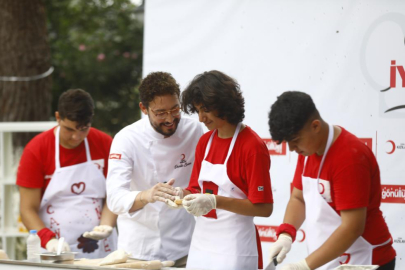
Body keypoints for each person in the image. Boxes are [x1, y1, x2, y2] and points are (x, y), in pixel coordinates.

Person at [267, 91, 396, 270]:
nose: (291, 148)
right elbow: (299, 198)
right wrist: (286, 234)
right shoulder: (308, 150)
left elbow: (352, 227)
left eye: (295, 141)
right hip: (330, 260)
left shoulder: (349, 158)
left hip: (365, 260)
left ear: (315, 126)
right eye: (287, 142)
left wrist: (304, 265)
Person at [172, 70, 273, 270]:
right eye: (197, 110)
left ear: (223, 104)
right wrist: (180, 195)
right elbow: (195, 190)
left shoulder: (251, 146)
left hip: (235, 248)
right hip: (201, 244)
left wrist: (215, 201)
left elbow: (264, 208)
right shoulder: (205, 142)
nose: (201, 118)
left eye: (205, 110)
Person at [106, 71, 204, 267]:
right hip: (138, 250)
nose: (169, 119)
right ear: (144, 108)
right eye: (160, 113)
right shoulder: (127, 139)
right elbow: (115, 200)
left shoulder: (195, 130)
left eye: (175, 109)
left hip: (184, 246)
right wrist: (148, 195)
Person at [17, 89, 117, 258]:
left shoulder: (105, 144)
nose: (76, 137)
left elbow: (114, 194)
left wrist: (106, 225)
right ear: (58, 117)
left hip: (99, 246)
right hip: (52, 246)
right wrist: (48, 240)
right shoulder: (37, 150)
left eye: (83, 129)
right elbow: (27, 209)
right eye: (69, 129)